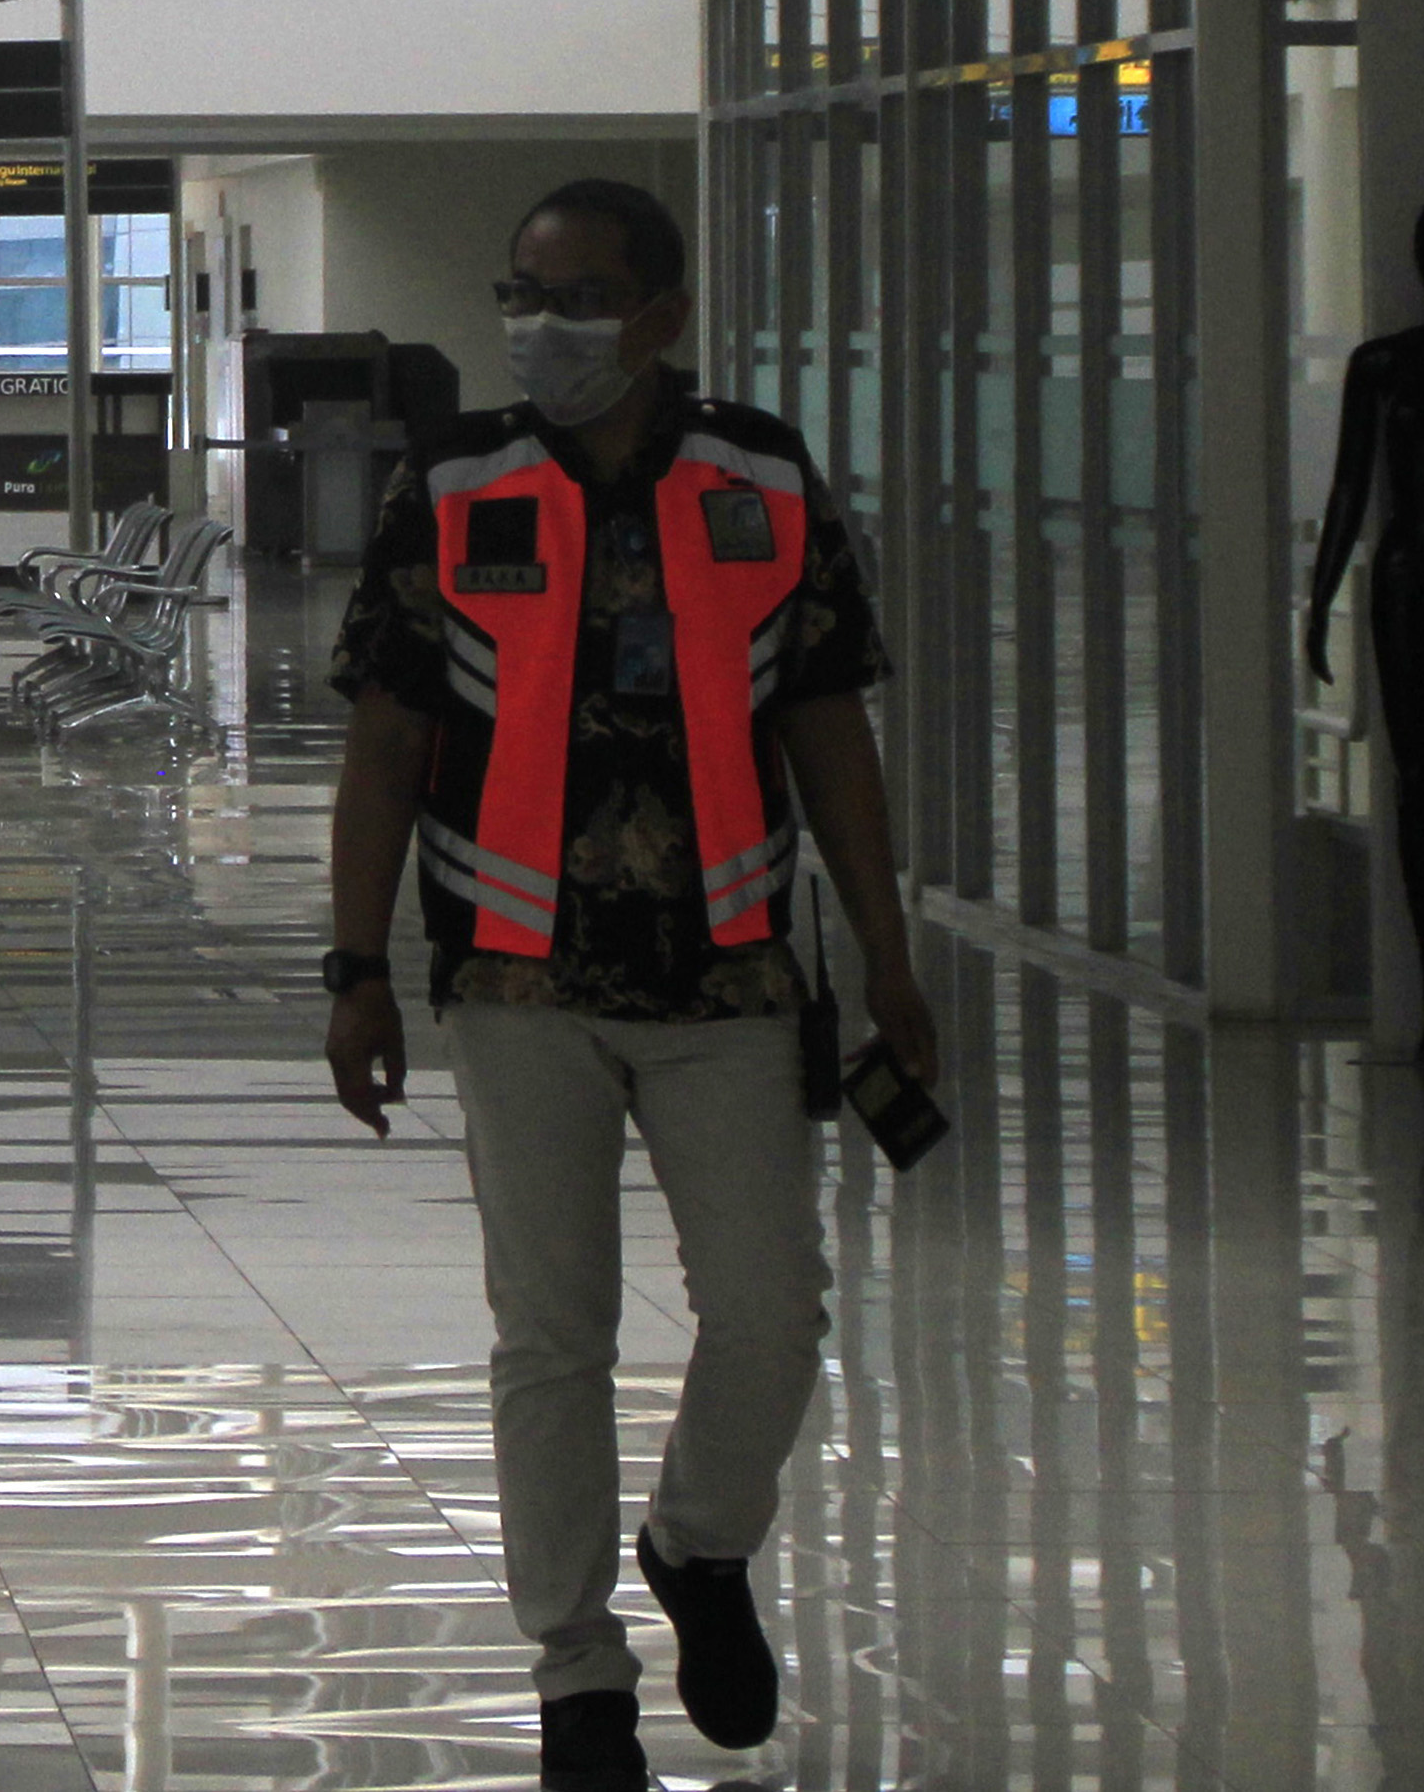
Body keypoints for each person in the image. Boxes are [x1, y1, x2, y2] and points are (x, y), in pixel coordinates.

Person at [317, 178, 938, 1792]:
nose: (542, 326)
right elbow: (386, 738)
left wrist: (885, 952)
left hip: (731, 970)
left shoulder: (760, 475)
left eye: (581, 298)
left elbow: (827, 725)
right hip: (514, 975)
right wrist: (353, 969)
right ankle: (577, 1675)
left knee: (772, 1308)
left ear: (662, 317)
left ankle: (700, 1542)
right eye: (522, 292)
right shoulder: (456, 481)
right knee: (554, 1332)